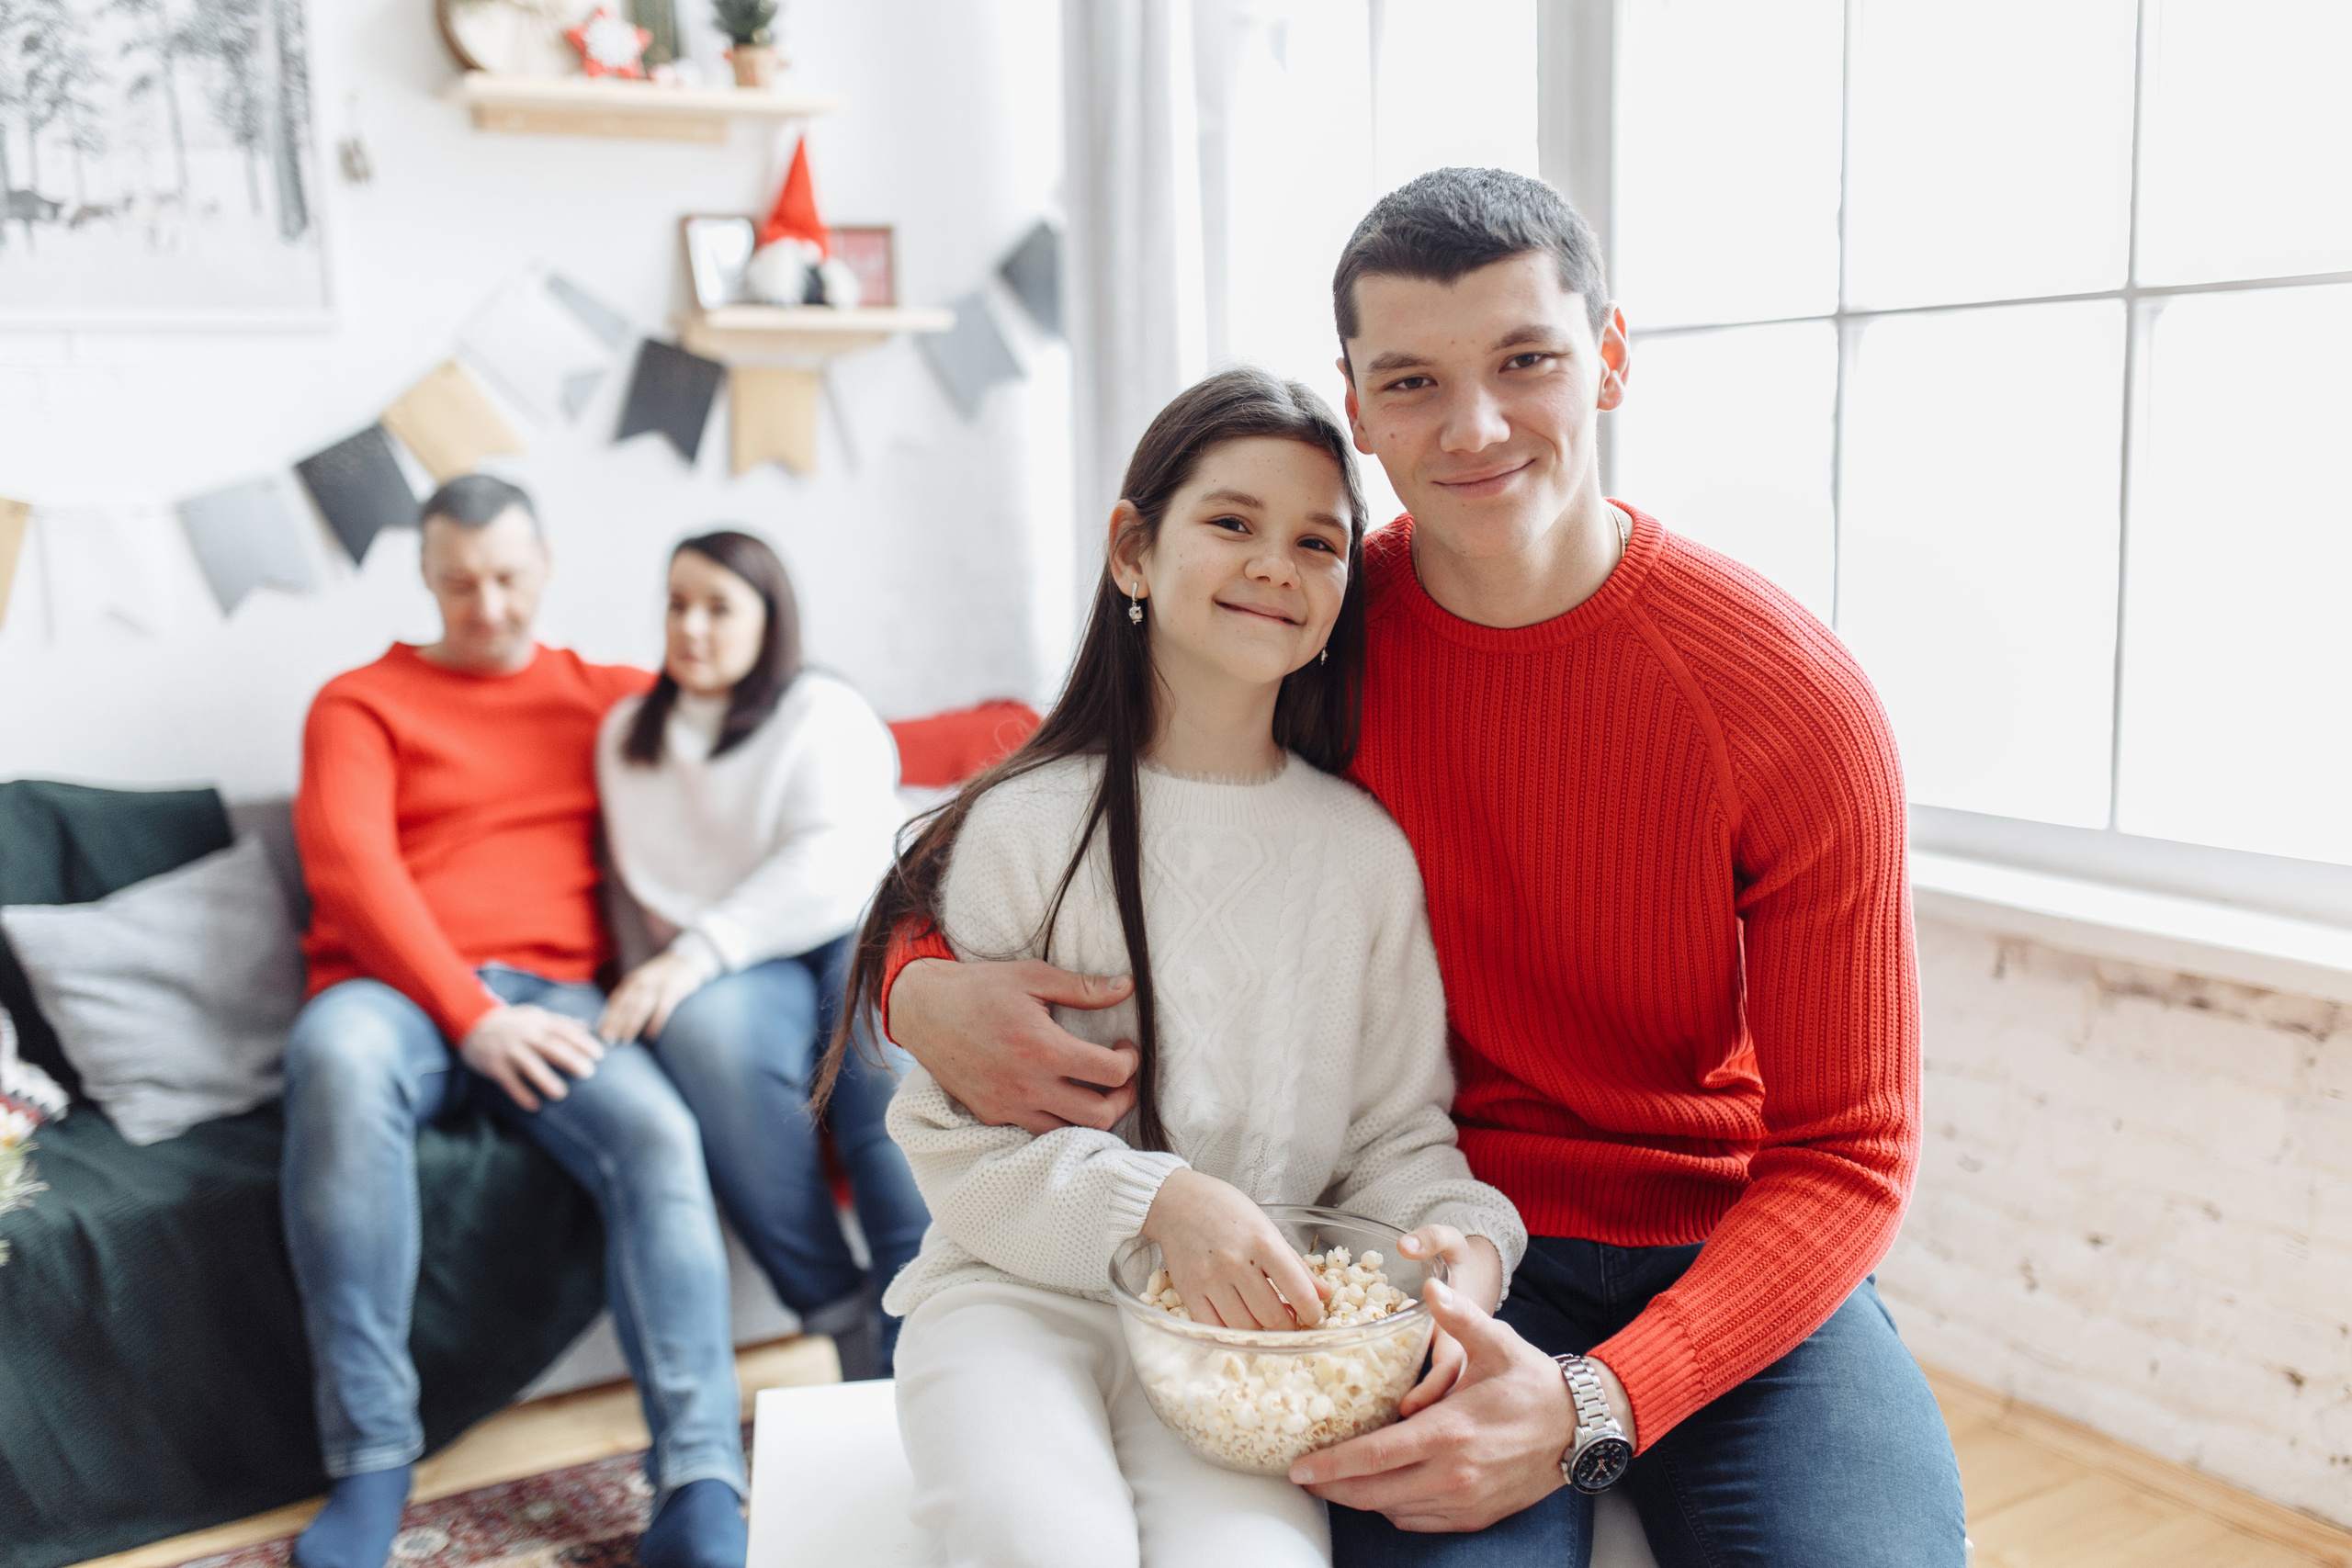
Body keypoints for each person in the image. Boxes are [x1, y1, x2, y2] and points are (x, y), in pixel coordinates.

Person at [880, 168, 1968, 1565]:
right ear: (1357, 403)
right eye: (1412, 381)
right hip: (1425, 1248)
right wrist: (913, 985)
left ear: (1611, 359)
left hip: (1726, 1245)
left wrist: (1594, 1400)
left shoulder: (1788, 702)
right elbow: (1068, 808)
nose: (1473, 425)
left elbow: (1849, 1152)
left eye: (1527, 360)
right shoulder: (1309, 614)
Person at [819, 367, 1527, 1568]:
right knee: (1037, 1539)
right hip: (1012, 1301)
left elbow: (1397, 1138)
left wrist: (1462, 1251)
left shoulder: (1362, 856)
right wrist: (1158, 1199)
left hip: (1239, 1344)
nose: (1277, 564)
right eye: (1233, 522)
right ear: (1134, 552)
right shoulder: (1023, 830)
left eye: (1319, 540)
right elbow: (953, 1150)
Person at [282, 477, 748, 1568]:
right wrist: (468, 1011)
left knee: (657, 1135)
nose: (485, 606)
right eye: (457, 583)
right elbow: (350, 868)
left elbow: (775, 711)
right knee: (335, 1057)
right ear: (427, 576)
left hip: (560, 1002)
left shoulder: (613, 699)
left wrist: (1016, 722)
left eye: (505, 578)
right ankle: (370, 1462)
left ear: (543, 567)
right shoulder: (358, 702)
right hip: (394, 995)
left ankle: (698, 1480)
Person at [594, 528, 928, 1378]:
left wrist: (692, 954)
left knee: (877, 1054)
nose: (691, 627)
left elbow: (831, 864)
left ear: (769, 618)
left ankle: (920, 1315)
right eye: (676, 604)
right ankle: (840, 1313)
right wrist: (655, 975)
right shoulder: (628, 735)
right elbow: (640, 889)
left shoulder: (823, 708)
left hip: (848, 918)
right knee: (699, 1034)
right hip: (737, 964)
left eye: (717, 607)